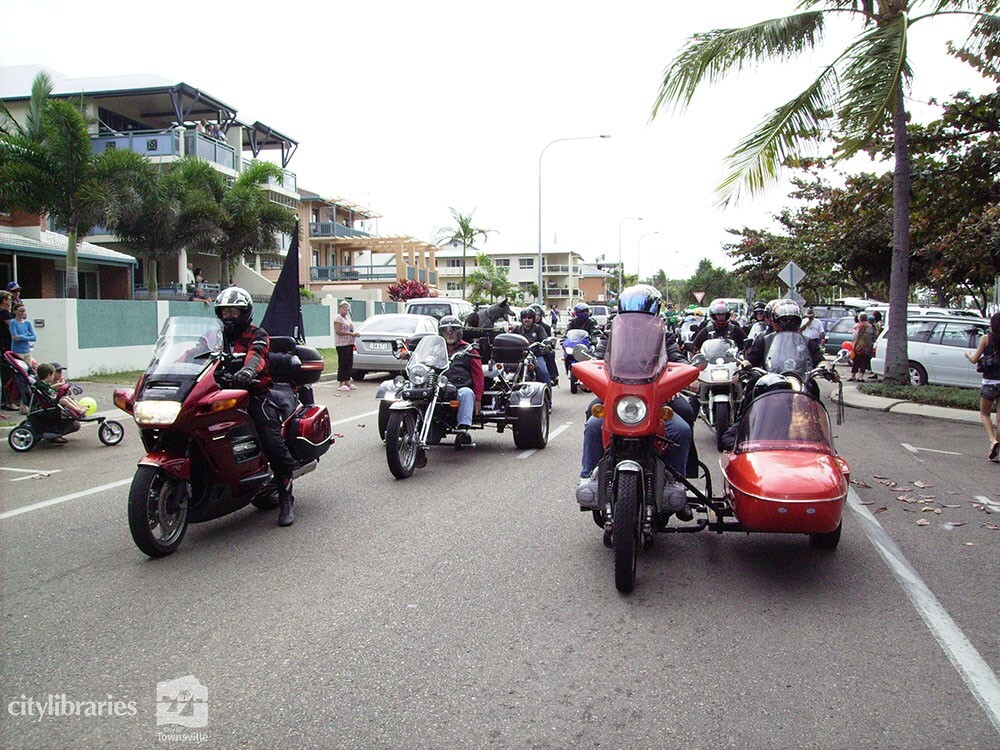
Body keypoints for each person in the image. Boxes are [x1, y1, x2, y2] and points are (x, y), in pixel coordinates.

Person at [577, 285, 692, 518]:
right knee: (592, 423)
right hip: (617, 396)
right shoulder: (612, 335)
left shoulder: (663, 335)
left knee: (682, 425)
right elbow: (598, 359)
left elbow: (678, 359)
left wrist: (681, 378)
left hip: (656, 399)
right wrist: (589, 376)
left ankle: (679, 482)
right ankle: (589, 475)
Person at [215, 287, 298, 526]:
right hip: (220, 393)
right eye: (225, 311)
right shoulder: (215, 336)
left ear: (245, 312)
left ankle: (285, 496)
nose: (229, 315)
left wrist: (247, 371)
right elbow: (192, 353)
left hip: (254, 393)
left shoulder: (257, 333)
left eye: (234, 310)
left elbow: (258, 356)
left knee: (272, 440)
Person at [438, 315, 484, 437]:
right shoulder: (436, 349)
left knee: (467, 393)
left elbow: (478, 374)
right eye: (446, 331)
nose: (450, 334)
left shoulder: (469, 349)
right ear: (441, 333)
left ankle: (462, 430)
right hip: (438, 387)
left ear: (459, 332)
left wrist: (478, 398)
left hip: (459, 388)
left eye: (453, 330)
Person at [746, 299, 824, 370]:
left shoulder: (806, 341)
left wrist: (825, 367)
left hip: (800, 376)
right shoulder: (765, 340)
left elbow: (819, 358)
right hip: (771, 376)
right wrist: (744, 366)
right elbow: (752, 358)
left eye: (793, 320)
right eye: (784, 320)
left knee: (813, 385)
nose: (788, 323)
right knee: (753, 383)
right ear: (775, 319)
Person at [965, 311, 1000, 462]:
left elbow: (974, 359)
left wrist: (967, 354)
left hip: (989, 382)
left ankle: (993, 440)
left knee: (985, 414)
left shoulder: (986, 339)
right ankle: (996, 447)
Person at [34, 362, 84, 443]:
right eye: (57, 372)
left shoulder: (46, 384)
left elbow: (50, 390)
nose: (61, 373)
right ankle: (55, 435)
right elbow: (48, 395)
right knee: (64, 401)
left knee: (67, 398)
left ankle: (80, 408)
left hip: (53, 402)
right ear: (48, 375)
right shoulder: (41, 385)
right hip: (48, 405)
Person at [509, 308, 551, 386]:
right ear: (521, 319)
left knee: (543, 372)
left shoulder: (539, 328)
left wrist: (546, 343)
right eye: (524, 317)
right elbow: (509, 339)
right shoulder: (517, 329)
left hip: (535, 356)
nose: (527, 319)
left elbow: (544, 339)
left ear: (533, 318)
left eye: (529, 317)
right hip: (519, 356)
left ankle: (547, 397)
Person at [333, 300, 360, 391]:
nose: (345, 309)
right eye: (343, 308)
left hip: (349, 343)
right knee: (343, 363)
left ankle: (347, 381)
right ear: (340, 308)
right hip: (341, 344)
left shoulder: (348, 318)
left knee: (349, 363)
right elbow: (338, 331)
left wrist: (354, 334)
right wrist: (350, 334)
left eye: (346, 308)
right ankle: (341, 383)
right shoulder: (338, 318)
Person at [849, 312, 876, 382]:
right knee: (863, 361)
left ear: (860, 318)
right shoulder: (870, 326)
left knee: (856, 361)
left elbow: (857, 336)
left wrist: (854, 345)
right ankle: (860, 376)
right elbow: (872, 336)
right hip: (867, 346)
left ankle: (853, 376)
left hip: (859, 345)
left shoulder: (859, 326)